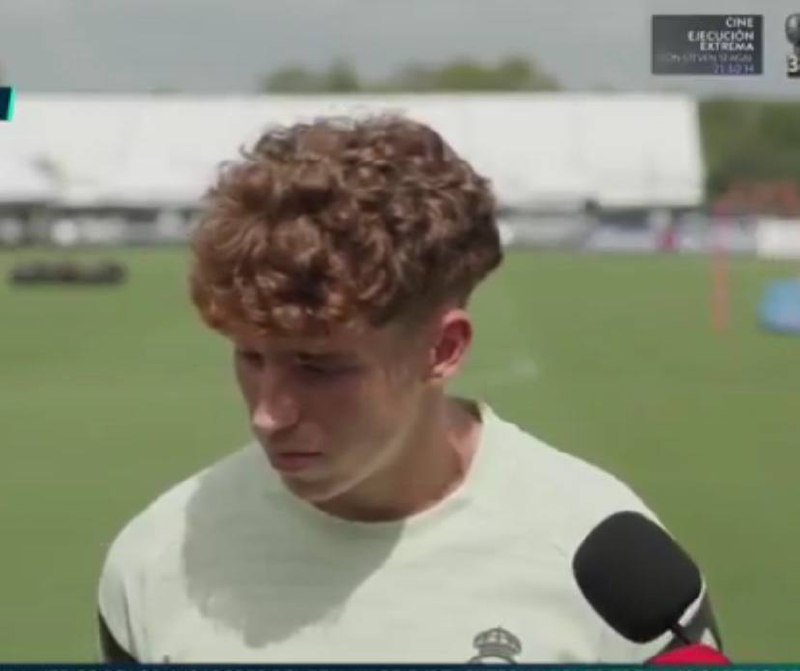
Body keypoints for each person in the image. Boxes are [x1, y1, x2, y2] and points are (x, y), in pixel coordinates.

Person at [97, 115, 722, 663]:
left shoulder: (612, 569)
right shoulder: (155, 559)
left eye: (318, 367)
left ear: (443, 350)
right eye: (251, 357)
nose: (268, 414)